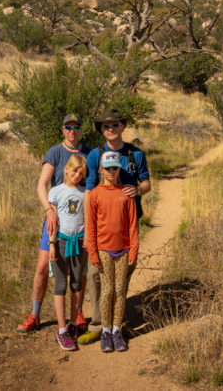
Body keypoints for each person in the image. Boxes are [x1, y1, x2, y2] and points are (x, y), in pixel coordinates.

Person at [78, 109, 151, 345]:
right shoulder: (95, 155)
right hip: (101, 227)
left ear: (122, 127)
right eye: (106, 125)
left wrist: (137, 190)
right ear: (101, 130)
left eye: (115, 124)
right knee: (95, 276)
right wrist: (88, 230)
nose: (111, 128)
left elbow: (147, 183)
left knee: (122, 280)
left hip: (126, 220)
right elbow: (89, 191)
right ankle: (99, 326)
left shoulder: (135, 154)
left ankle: (117, 324)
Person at [17, 113, 90, 333]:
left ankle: (77, 313)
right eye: (68, 127)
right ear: (62, 129)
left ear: (80, 130)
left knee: (80, 271)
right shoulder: (55, 152)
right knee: (42, 267)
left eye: (76, 127)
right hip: (55, 219)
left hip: (78, 223)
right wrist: (49, 210)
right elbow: (42, 185)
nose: (72, 131)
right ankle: (34, 314)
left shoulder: (88, 153)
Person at [87, 151, 138, 352]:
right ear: (101, 169)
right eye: (107, 168)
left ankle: (117, 330)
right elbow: (91, 226)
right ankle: (106, 331)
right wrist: (93, 252)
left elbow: (133, 225)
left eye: (115, 168)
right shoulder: (95, 194)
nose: (111, 171)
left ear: (119, 169)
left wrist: (133, 251)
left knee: (120, 290)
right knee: (107, 291)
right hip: (104, 251)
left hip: (124, 250)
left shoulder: (126, 193)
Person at [48, 154, 88, 351]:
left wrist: (88, 239)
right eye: (74, 170)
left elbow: (87, 218)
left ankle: (73, 323)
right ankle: (62, 329)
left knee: (77, 283)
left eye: (81, 173)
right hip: (62, 241)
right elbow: (53, 220)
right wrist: (52, 243)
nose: (77, 175)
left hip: (79, 242)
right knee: (61, 284)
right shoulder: (56, 192)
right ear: (66, 169)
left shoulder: (85, 192)